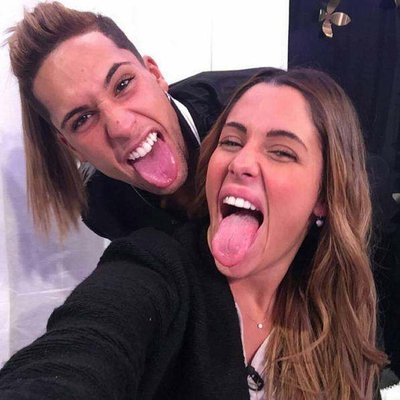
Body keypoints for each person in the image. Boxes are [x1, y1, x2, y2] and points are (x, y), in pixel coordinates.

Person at [0, 68, 388, 399]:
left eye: (281, 152)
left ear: (323, 196)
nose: (241, 162)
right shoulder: (155, 268)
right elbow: (82, 350)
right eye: (231, 141)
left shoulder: (342, 309)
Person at [7, 1, 262, 239]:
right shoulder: (104, 208)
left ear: (154, 74)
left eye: (123, 84)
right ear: (71, 146)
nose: (122, 127)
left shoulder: (254, 107)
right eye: (82, 119)